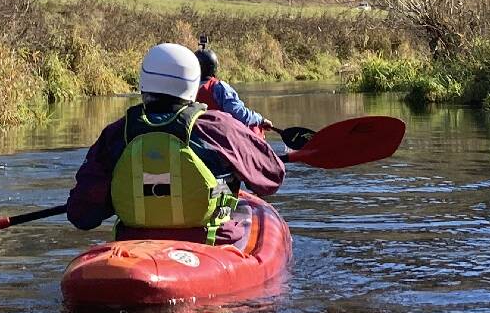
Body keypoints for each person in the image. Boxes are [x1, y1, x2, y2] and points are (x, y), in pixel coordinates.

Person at [68, 43, 285, 245]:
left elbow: (82, 215)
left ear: (143, 83)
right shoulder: (219, 127)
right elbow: (271, 178)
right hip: (209, 243)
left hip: (134, 244)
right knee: (229, 190)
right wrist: (233, 175)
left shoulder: (116, 134)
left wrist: (120, 196)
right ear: (192, 84)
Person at [195, 38, 314, 151]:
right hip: (222, 141)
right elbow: (240, 114)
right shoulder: (219, 87)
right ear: (214, 67)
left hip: (198, 140)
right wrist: (260, 120)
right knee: (254, 128)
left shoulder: (189, 88)